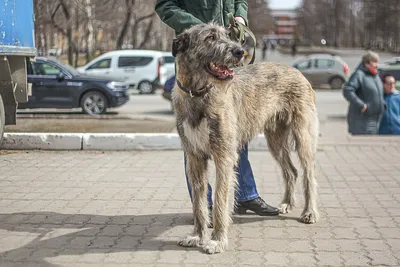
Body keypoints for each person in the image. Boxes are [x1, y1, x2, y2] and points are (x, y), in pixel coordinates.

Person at [155, 0, 279, 222]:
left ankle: (245, 196)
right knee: (193, 140)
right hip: (198, 55)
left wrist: (240, 16)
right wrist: (200, 29)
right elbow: (165, 6)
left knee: (233, 132)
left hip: (225, 49)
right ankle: (205, 207)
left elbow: (239, 1)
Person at [342, 51, 385, 135]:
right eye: (374, 62)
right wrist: (361, 105)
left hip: (375, 121)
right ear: (366, 64)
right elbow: (347, 90)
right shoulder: (359, 75)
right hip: (362, 121)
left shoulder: (375, 76)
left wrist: (383, 105)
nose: (376, 65)